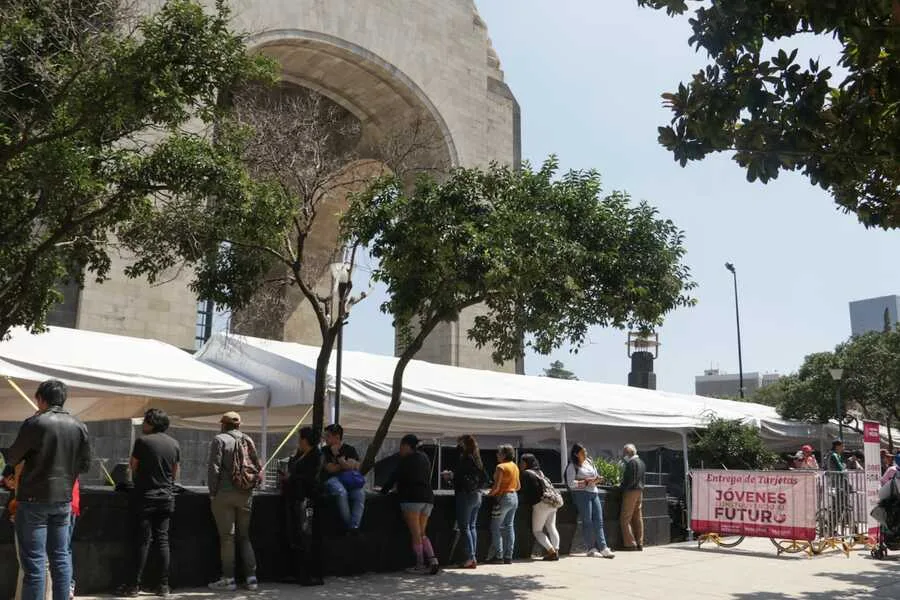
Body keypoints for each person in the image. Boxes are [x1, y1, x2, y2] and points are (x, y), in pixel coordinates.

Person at [6, 379, 91, 600]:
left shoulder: (35, 423)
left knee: (34, 564)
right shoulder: (79, 426)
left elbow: (13, 456)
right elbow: (85, 465)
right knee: (60, 558)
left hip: (33, 500)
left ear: (40, 399)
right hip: (63, 500)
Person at [116, 409, 181, 597]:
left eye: (145, 421)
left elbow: (133, 466)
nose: (143, 424)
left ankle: (133, 586)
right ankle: (163, 586)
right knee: (162, 540)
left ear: (152, 423)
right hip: (166, 497)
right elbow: (175, 471)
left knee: (142, 541)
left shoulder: (142, 442)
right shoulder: (174, 444)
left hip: (145, 497)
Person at [207, 411, 262, 592]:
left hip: (224, 494)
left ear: (223, 424)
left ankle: (229, 579)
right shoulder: (248, 439)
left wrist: (212, 493)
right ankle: (252, 579)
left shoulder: (219, 440)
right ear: (239, 425)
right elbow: (257, 465)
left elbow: (214, 469)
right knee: (244, 537)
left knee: (227, 538)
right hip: (246, 494)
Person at [381, 434, 439, 575]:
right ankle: (433, 560)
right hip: (427, 498)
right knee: (422, 532)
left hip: (411, 498)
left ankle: (420, 563)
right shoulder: (424, 458)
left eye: (401, 446)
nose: (400, 449)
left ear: (407, 446)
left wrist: (383, 491)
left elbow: (394, 477)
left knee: (415, 533)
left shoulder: (406, 460)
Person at [285, 426, 325, 587]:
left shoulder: (316, 456)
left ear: (305, 440)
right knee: (296, 536)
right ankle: (297, 572)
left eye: (300, 439)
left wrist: (292, 477)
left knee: (306, 536)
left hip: (307, 498)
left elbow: (311, 477)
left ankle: (309, 574)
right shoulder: (300, 455)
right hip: (296, 497)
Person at [442, 434, 486, 569]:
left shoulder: (465, 458)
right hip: (477, 494)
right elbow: (484, 477)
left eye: (459, 443)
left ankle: (470, 557)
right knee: (472, 526)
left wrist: (450, 476)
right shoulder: (477, 459)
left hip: (465, 495)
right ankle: (473, 557)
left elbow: (460, 477)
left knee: (464, 527)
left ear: (464, 444)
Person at [565, 443, 614, 559]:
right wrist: (586, 482)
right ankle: (591, 549)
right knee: (587, 521)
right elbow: (571, 483)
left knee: (599, 520)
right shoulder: (572, 466)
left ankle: (603, 547)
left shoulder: (589, 462)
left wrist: (597, 479)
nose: (585, 454)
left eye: (585, 451)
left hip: (593, 492)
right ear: (576, 454)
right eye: (583, 452)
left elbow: (595, 475)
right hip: (581, 494)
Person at [321, 424, 365, 533]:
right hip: (331, 479)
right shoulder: (324, 451)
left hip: (349, 480)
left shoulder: (350, 449)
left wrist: (338, 457)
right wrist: (345, 463)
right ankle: (349, 526)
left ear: (337, 437)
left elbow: (357, 466)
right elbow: (330, 469)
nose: (325, 439)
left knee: (360, 494)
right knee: (341, 492)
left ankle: (355, 526)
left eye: (328, 436)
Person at [518, 454, 560, 561]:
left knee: (537, 531)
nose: (520, 464)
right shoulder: (540, 472)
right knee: (551, 527)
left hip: (540, 504)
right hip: (552, 502)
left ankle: (551, 551)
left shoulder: (526, 474)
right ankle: (556, 550)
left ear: (526, 463)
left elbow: (524, 490)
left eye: (522, 462)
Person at [485, 444, 520, 564]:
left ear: (504, 455)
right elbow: (518, 486)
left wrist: (488, 494)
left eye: (499, 453)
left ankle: (498, 555)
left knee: (495, 527)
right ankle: (508, 556)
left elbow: (496, 487)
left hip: (503, 498)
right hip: (514, 497)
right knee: (509, 526)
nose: (497, 455)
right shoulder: (515, 466)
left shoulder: (500, 467)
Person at [620, 443, 646, 551]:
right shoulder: (641, 462)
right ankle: (640, 542)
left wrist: (623, 487)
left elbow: (630, 479)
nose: (623, 455)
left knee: (625, 519)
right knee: (637, 517)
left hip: (631, 491)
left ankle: (630, 543)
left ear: (628, 453)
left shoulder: (631, 463)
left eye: (624, 453)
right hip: (640, 491)